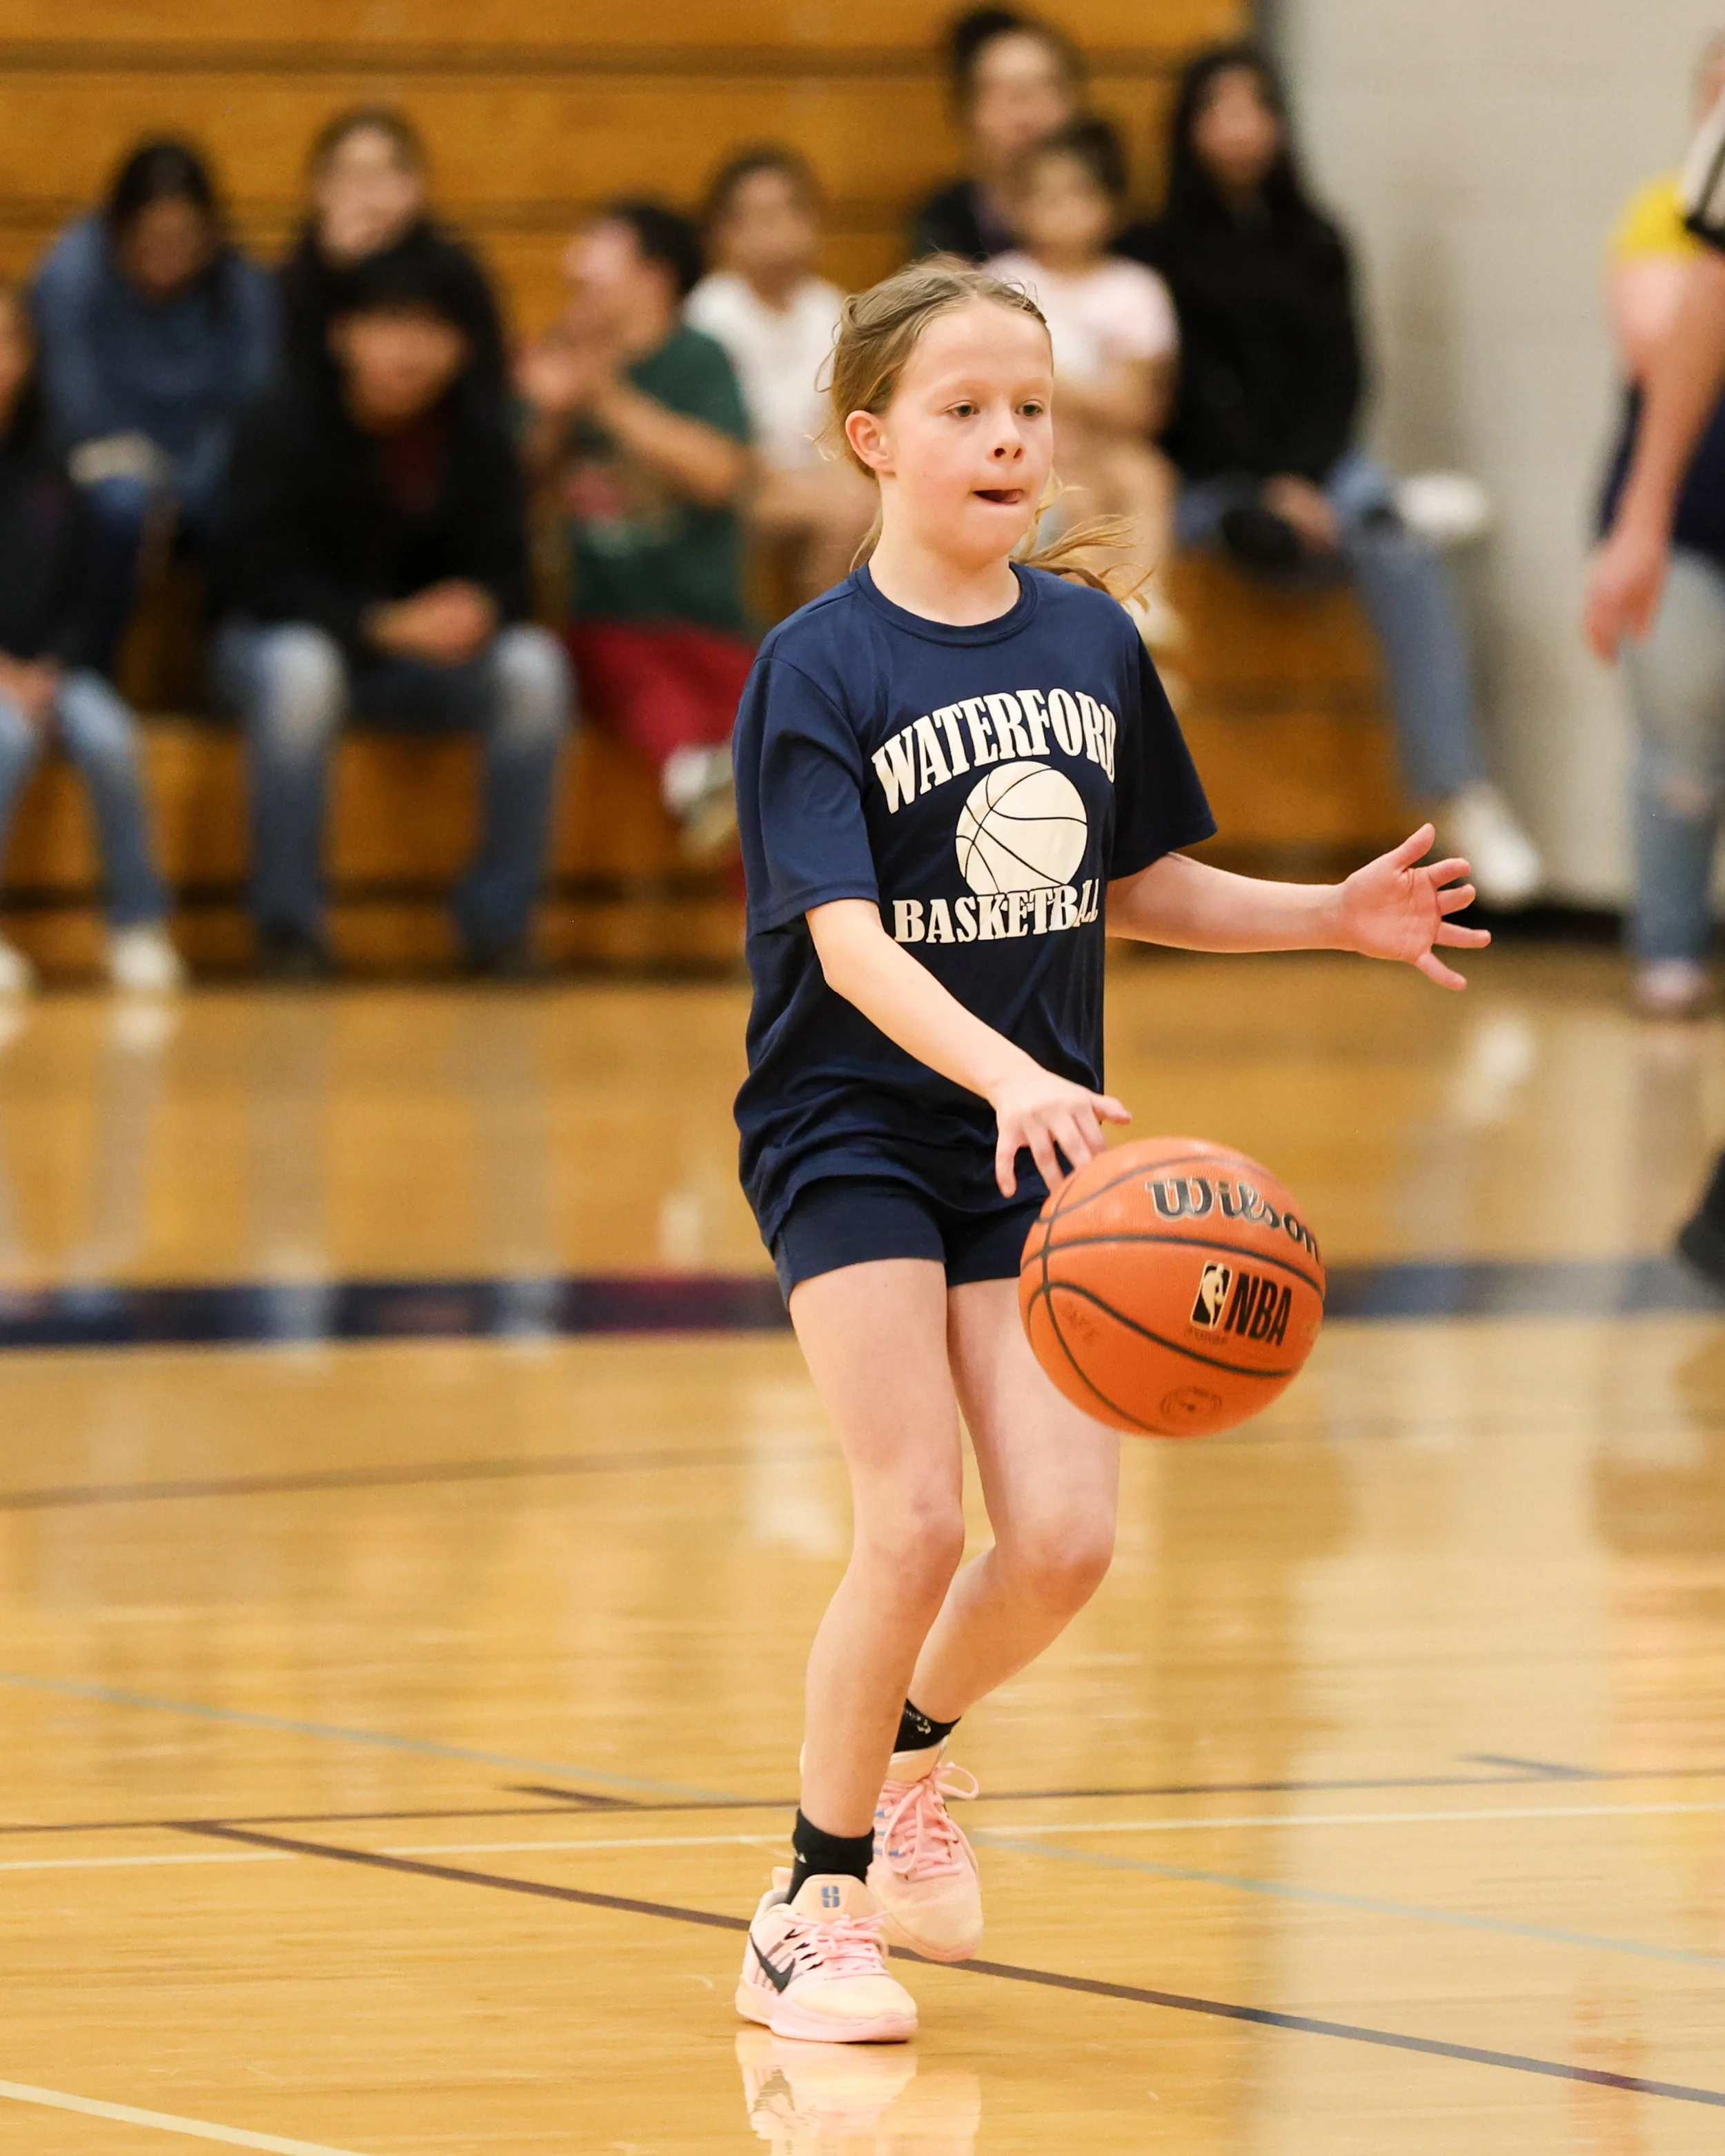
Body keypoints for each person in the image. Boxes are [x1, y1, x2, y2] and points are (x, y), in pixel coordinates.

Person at [728, 257, 1488, 2043]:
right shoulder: (814, 666)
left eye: (1029, 408)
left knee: (1062, 1538)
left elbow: (1128, 878)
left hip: (1031, 1131)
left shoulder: (1085, 643)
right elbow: (842, 941)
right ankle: (806, 1897)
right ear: (871, 440)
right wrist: (1004, 1076)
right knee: (912, 1513)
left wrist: (1330, 915)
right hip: (853, 1125)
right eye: (963, 410)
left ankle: (908, 1762)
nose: (1007, 437)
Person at [1123, 43, 1543, 907]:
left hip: (1320, 471)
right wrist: (1267, 480)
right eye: (1219, 110)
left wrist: (1307, 473)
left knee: (1403, 556)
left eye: (1256, 109)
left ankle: (1455, 785)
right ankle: (1381, 505)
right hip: (1212, 481)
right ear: (1187, 128)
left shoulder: (1318, 239)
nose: (1240, 130)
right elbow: (1181, 392)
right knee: (1274, 532)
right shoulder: (1153, 248)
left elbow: (1344, 375)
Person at [213, 246, 572, 980]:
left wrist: (479, 605)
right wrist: (377, 624)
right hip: (275, 648)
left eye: (430, 329)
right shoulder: (281, 417)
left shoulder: (476, 434)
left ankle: (498, 925)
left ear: (462, 344)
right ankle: (287, 929)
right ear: (344, 333)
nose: (406, 350)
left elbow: (510, 575)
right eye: (387, 325)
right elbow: (252, 575)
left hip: (420, 667)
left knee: (535, 668)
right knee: (300, 670)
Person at [1587, 62, 1725, 1280]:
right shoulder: (1693, 182)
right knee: (1681, 760)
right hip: (1702, 522)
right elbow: (1694, 306)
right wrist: (1643, 508)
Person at [518, 200, 754, 857]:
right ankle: (690, 775)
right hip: (607, 621)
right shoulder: (555, 360)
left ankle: (784, 943)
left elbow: (717, 474)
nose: (573, 265)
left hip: (708, 620)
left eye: (595, 248)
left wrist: (604, 397)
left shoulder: (699, 360)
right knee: (637, 675)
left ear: (654, 276)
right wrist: (551, 417)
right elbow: (515, 486)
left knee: (759, 758)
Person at [30, 139, 278, 675]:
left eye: (185, 239)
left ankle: (226, 668)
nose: (168, 256)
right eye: (150, 240)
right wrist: (145, 485)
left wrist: (183, 488)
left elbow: (253, 410)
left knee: (248, 491)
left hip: (203, 470)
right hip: (103, 467)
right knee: (118, 502)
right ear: (117, 231)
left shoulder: (240, 287)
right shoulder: (72, 276)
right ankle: (91, 669)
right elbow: (71, 411)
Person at [0, 281, 184, 996]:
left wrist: (56, 665)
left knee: (109, 734)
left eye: (9, 339)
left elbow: (85, 590)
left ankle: (138, 922)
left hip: (50, 668)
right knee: (8, 741)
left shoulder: (53, 461)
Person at [986, 117, 1179, 594]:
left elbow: (1139, 407)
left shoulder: (1135, 289)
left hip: (1109, 442)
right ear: (1017, 207)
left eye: (1080, 194)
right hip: (1028, 444)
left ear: (1111, 206)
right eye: (1048, 197)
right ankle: (1087, 620)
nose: (1065, 210)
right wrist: (1080, 397)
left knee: (1148, 477)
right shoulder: (1000, 283)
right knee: (1078, 496)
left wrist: (1054, 383)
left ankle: (1143, 605)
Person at [686, 147, 874, 610]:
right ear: (725, 231)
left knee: (872, 503)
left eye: (791, 211)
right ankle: (818, 657)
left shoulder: (831, 307)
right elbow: (722, 437)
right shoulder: (709, 314)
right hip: (740, 485)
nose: (778, 230)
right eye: (760, 216)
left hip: (817, 476)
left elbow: (842, 417)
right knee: (849, 513)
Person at [277, 106, 509, 410]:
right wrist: (335, 268)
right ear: (320, 187)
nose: (368, 194)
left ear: (416, 184)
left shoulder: (453, 271)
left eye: (386, 174)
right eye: (351, 175)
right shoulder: (299, 272)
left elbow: (487, 378)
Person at [910, 8, 1082, 264]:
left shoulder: (1122, 227)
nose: (1027, 117)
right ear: (965, 111)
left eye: (1044, 88)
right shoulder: (942, 223)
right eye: (1005, 95)